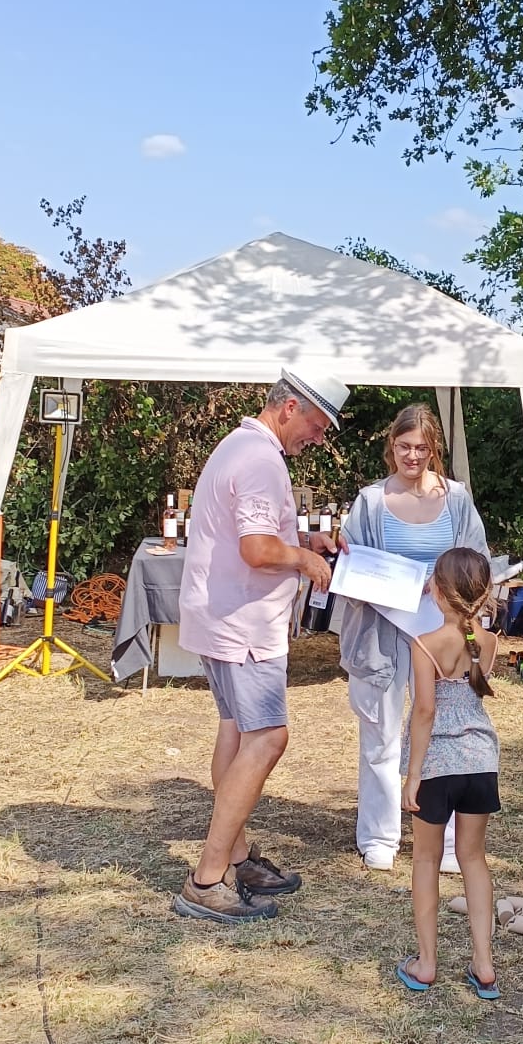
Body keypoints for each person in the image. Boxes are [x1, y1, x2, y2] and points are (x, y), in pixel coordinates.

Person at [172, 371, 349, 925]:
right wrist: (305, 559)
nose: (317, 439)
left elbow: (251, 531)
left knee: (238, 732)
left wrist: (301, 538)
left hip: (222, 615)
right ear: (291, 406)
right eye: (317, 427)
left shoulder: (240, 444)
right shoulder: (260, 459)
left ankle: (239, 857)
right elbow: (253, 548)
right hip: (243, 622)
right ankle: (206, 877)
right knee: (269, 738)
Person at [338, 405, 489, 872]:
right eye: (404, 447)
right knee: (380, 733)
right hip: (382, 633)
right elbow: (351, 564)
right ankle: (380, 835)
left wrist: (448, 591)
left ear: (433, 450)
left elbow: (478, 560)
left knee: (445, 731)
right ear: (392, 446)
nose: (412, 456)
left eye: (422, 448)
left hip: (442, 635)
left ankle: (443, 839)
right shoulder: (370, 501)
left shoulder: (457, 499)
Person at [395, 548, 502, 1001]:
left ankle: (426, 962)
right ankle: (483, 963)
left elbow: (424, 711)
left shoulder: (425, 645)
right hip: (480, 761)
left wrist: (413, 774)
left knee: (425, 860)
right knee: (473, 859)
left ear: (436, 591)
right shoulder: (490, 642)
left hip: (437, 766)